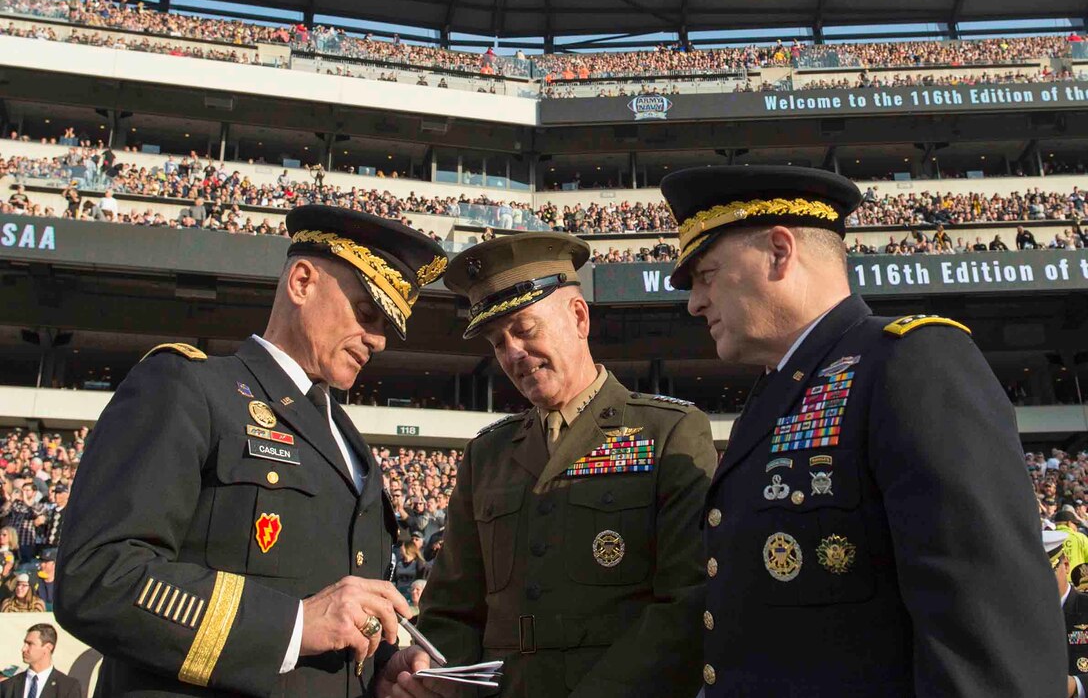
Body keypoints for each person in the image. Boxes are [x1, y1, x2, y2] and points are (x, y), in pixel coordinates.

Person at [662, 164, 1066, 696]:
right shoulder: (775, 396)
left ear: (780, 252)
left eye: (707, 276)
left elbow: (986, 635)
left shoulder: (911, 363)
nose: (694, 303)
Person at [55, 205, 449, 697]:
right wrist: (292, 625)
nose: (378, 340)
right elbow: (98, 576)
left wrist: (383, 666)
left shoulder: (351, 444)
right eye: (367, 312)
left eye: (387, 325)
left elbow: (334, 608)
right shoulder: (190, 387)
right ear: (302, 282)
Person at [379, 232, 717, 697]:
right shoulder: (487, 456)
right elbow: (453, 610)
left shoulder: (669, 433)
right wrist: (438, 673)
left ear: (578, 317)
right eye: (499, 342)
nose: (512, 353)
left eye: (524, 328)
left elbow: (686, 603)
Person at [1046, 529, 1088, 698]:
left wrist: (1076, 685)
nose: (1043, 580)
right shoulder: (1017, 615)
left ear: (1066, 565)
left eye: (1050, 571)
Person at [0, 624, 80, 698]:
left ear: (48, 647)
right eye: (25, 643)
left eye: (30, 644)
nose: (23, 649)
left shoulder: (68, 687)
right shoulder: (7, 686)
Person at [1057, 505, 1088, 588]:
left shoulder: (1049, 539)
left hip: (1055, 584)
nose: (1076, 528)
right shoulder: (1080, 537)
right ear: (1069, 523)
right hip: (1078, 583)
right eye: (1076, 525)